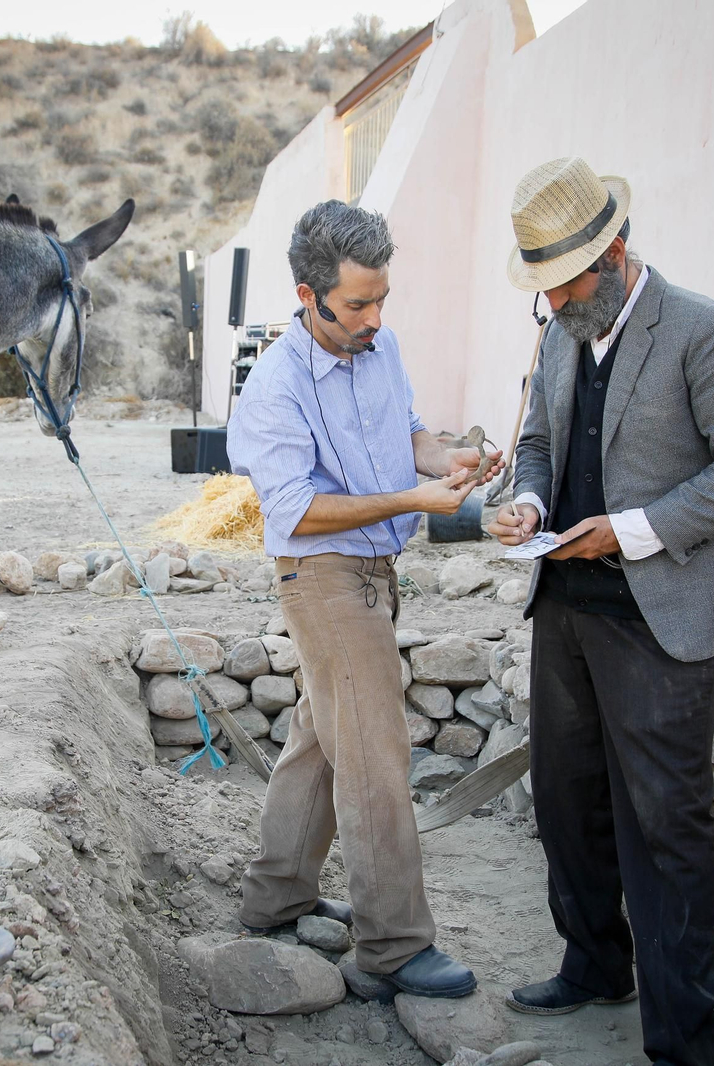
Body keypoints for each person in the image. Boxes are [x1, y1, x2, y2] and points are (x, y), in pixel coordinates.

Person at [485, 158, 714, 1066]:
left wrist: (632, 531)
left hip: (662, 620)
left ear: (613, 252)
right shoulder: (565, 331)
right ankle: (594, 966)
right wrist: (528, 503)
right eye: (542, 289)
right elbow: (535, 442)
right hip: (565, 607)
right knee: (569, 806)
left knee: (666, 826)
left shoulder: (704, 331)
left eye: (564, 282)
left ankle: (684, 1036)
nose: (553, 303)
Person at [227, 200, 500, 998]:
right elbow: (298, 511)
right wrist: (412, 498)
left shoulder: (380, 348)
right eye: (357, 305)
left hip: (376, 570)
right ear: (308, 296)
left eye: (382, 299)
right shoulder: (273, 389)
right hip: (321, 576)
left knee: (323, 731)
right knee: (376, 752)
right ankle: (393, 947)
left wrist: (451, 455)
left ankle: (274, 898)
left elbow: (406, 434)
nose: (375, 318)